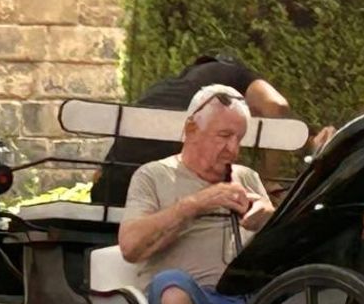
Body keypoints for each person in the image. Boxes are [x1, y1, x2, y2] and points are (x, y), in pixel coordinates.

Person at [117, 84, 272, 304]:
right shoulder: (154, 176)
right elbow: (131, 246)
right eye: (223, 135)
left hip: (244, 298)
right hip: (188, 299)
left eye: (238, 138)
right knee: (171, 287)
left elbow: (279, 227)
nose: (232, 148)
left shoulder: (246, 177)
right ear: (190, 130)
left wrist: (266, 215)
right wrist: (198, 203)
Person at [93, 53, 291, 206]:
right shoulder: (236, 75)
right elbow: (276, 106)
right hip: (166, 185)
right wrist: (268, 180)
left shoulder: (164, 89)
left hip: (112, 187)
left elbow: (103, 170)